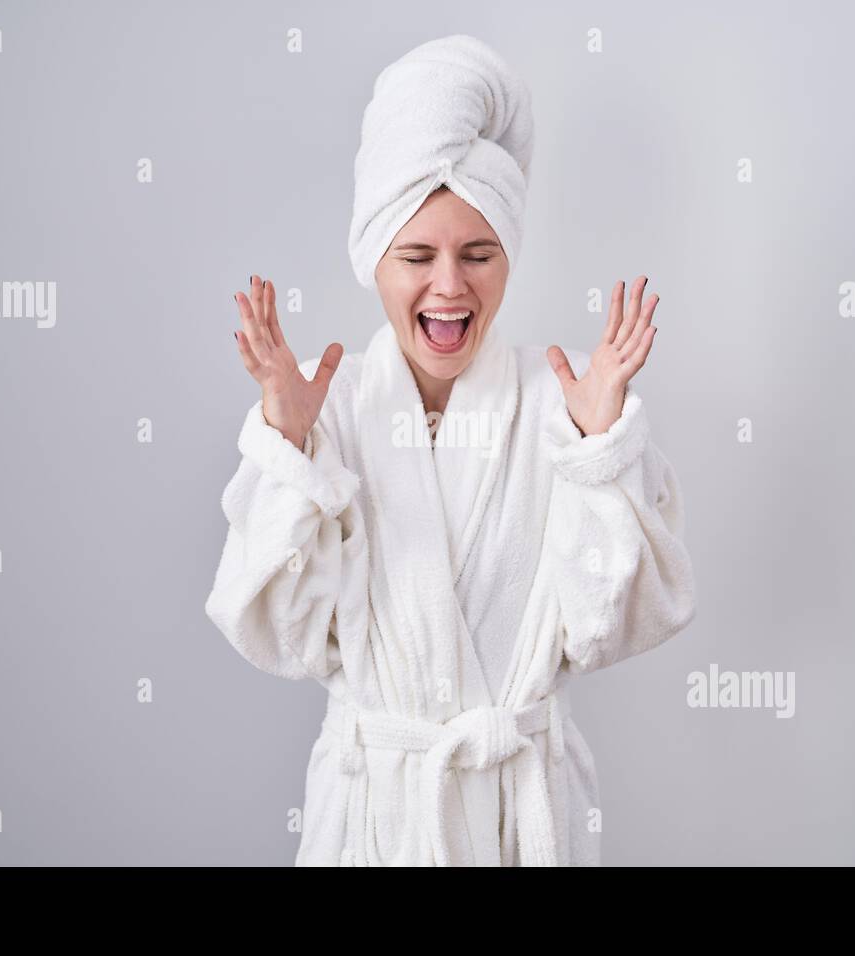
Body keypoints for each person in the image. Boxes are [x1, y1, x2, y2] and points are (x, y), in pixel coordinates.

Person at [205, 34, 696, 866]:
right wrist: (290, 450)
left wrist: (597, 455)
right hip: (376, 821)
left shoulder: (563, 406)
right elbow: (281, 639)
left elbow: (612, 631)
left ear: (508, 259)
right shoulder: (335, 411)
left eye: (478, 254)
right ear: (375, 263)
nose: (449, 286)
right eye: (417, 256)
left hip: (521, 821)